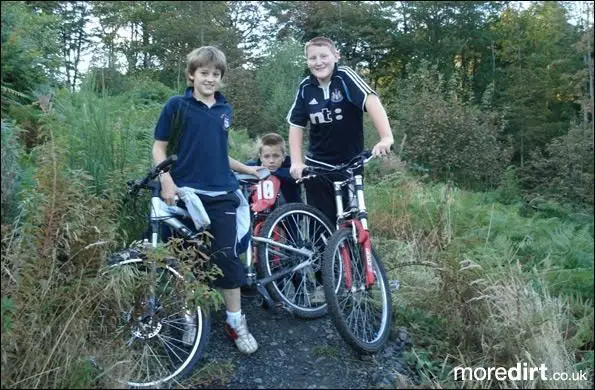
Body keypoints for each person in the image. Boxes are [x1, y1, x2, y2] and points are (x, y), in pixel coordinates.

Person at [152, 46, 259, 354]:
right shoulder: (177, 106)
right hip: (185, 195)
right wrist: (166, 179)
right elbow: (159, 147)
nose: (210, 79)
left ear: (221, 78)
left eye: (216, 74)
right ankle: (189, 319)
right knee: (185, 261)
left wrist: (248, 169)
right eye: (204, 73)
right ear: (191, 75)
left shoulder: (225, 111)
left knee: (226, 258)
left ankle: (235, 321)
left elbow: (218, 153)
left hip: (222, 194)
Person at [286, 36, 394, 225]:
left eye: (324, 56)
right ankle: (321, 254)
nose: (318, 62)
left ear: (336, 56)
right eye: (313, 58)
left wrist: (385, 137)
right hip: (317, 166)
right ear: (307, 61)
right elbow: (296, 125)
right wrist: (296, 162)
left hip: (350, 165)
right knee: (320, 223)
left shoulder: (344, 77)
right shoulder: (306, 87)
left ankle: (352, 252)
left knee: (352, 219)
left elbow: (371, 101)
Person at [245, 132, 302, 206]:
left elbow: (294, 176)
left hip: (289, 213)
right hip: (259, 213)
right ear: (260, 157)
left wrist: (269, 172)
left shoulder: (292, 167)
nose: (271, 161)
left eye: (276, 156)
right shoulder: (252, 166)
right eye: (266, 156)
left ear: (283, 156)